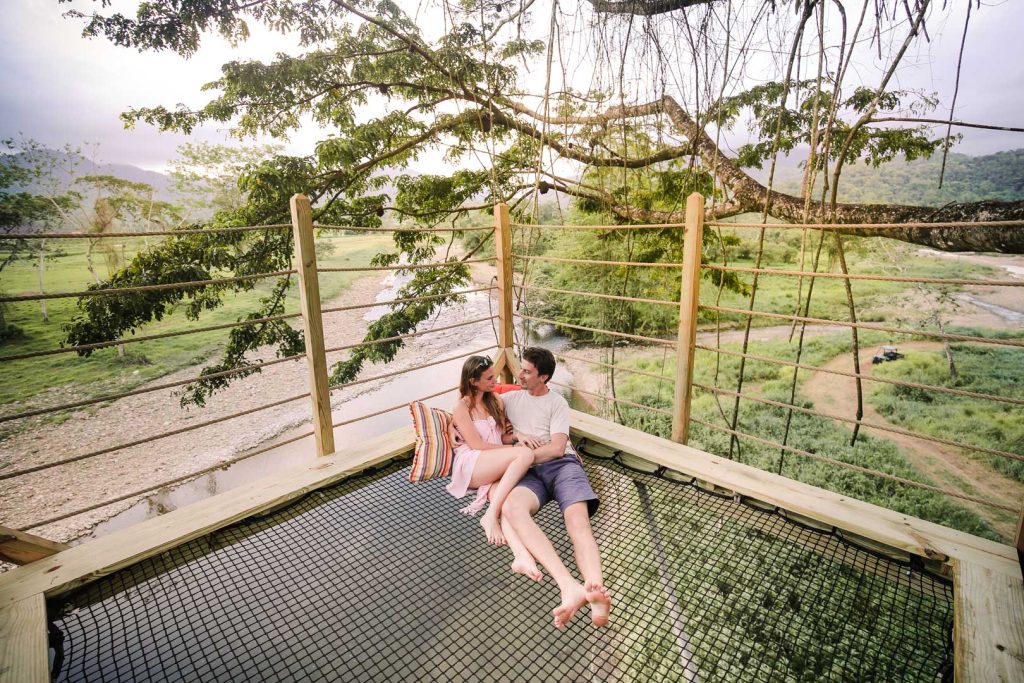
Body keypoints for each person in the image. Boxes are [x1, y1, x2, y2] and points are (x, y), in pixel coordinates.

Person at [499, 347, 612, 629]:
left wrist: (520, 456)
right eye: (520, 369)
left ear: (543, 377)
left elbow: (558, 448)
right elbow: (485, 418)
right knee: (513, 507)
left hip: (562, 466)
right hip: (529, 473)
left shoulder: (557, 403)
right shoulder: (509, 399)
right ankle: (567, 585)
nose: (519, 375)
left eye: (526, 371)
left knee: (577, 520)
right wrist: (517, 437)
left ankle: (595, 590)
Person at [445, 355, 543, 581]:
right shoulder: (462, 406)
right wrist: (451, 425)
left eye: (494, 376)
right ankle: (490, 515)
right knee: (525, 454)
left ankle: (520, 555)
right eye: (489, 378)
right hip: (473, 462)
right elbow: (477, 445)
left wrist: (517, 436)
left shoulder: (496, 401)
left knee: (505, 501)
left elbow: (503, 437)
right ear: (473, 381)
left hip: (494, 459)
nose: (495, 380)